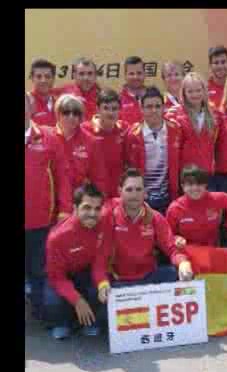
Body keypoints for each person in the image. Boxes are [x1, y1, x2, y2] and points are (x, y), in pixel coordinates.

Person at [99, 169, 193, 290]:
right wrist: (102, 283)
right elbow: (100, 259)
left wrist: (183, 263)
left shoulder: (155, 217)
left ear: (145, 193)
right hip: (120, 280)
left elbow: (171, 248)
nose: (134, 194)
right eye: (129, 189)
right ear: (120, 191)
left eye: (138, 189)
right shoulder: (109, 217)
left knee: (181, 273)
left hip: (150, 277)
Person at [25, 92, 72, 319]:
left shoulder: (47, 137)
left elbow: (62, 176)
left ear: (31, 107)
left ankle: (40, 314)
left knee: (38, 271)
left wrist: (64, 211)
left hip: (40, 221)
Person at [43, 184, 110, 340]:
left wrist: (103, 284)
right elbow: (56, 277)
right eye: (87, 208)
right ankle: (62, 322)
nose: (93, 214)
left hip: (85, 273)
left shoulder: (104, 224)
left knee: (100, 291)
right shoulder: (57, 237)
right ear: (75, 208)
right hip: (60, 276)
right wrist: (77, 300)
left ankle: (89, 321)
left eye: (97, 208)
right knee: (52, 303)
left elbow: (99, 264)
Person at [124, 86, 183, 215]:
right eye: (149, 107)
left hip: (169, 196)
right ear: (141, 109)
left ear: (163, 108)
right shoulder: (133, 134)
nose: (154, 110)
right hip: (143, 197)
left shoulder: (175, 129)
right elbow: (129, 167)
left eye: (157, 106)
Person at [165, 72, 220, 189]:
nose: (195, 95)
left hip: (208, 176)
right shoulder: (174, 115)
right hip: (187, 177)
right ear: (184, 93)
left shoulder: (214, 114)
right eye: (190, 91)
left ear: (204, 91)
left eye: (198, 90)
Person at [50, 94, 109, 197]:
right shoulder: (47, 137)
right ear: (58, 114)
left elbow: (99, 180)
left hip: (79, 203)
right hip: (51, 198)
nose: (71, 116)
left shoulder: (91, 142)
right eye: (66, 112)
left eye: (76, 113)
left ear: (81, 117)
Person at [80, 88, 129, 204]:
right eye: (106, 108)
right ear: (97, 109)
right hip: (92, 196)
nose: (110, 113)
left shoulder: (125, 129)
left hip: (118, 195)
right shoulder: (84, 130)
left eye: (114, 109)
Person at [166, 165, 227, 247]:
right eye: (190, 184)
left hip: (212, 250)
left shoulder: (218, 198)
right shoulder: (175, 208)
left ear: (205, 185)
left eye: (199, 184)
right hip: (187, 252)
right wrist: (177, 239)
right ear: (183, 186)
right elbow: (168, 234)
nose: (195, 188)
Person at [27, 58, 58, 127]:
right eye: (39, 76)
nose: (43, 80)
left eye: (47, 76)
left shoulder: (59, 103)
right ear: (32, 78)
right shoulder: (26, 102)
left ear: (53, 79)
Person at [119, 56, 146, 126]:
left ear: (144, 74)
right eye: (131, 73)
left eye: (139, 73)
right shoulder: (117, 99)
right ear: (125, 75)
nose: (135, 77)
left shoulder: (155, 97)